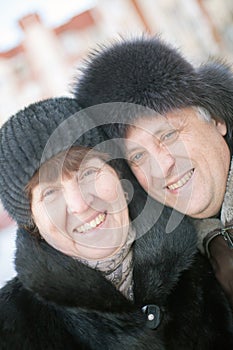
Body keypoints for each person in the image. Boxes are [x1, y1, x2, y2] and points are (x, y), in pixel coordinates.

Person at [0, 97, 233, 350]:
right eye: (50, 194)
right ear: (33, 224)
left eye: (88, 173)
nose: (80, 205)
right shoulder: (12, 324)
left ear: (119, 178)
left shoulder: (205, 259)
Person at [72, 35, 233, 307]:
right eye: (137, 155)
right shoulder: (168, 278)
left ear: (216, 120)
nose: (163, 165)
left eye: (169, 135)